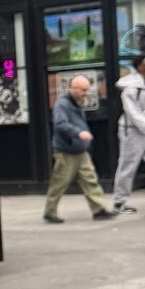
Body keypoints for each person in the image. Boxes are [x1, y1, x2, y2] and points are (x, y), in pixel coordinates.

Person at [44, 75, 117, 223]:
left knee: (90, 179)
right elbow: (60, 124)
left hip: (79, 149)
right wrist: (78, 133)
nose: (86, 93)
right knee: (60, 182)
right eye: (83, 90)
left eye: (87, 90)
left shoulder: (75, 103)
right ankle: (50, 212)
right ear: (73, 88)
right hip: (66, 150)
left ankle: (99, 209)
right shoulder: (62, 104)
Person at [112, 54, 145, 214]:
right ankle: (119, 202)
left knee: (128, 165)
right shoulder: (131, 88)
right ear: (140, 67)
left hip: (139, 128)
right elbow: (132, 112)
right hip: (131, 130)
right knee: (128, 165)